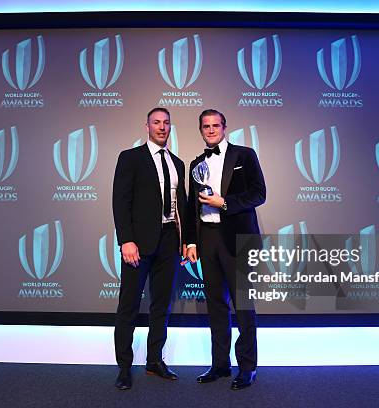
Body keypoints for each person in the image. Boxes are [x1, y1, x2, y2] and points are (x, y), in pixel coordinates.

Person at [185, 109, 266, 390]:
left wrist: (225, 203)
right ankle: (219, 364)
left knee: (243, 306)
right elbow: (190, 206)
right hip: (207, 239)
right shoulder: (196, 163)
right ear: (200, 130)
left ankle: (247, 367)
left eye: (215, 125)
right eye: (205, 126)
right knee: (216, 306)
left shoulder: (245, 155)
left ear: (224, 127)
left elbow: (259, 194)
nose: (210, 130)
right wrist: (191, 241)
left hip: (237, 238)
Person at [112, 107, 187, 390]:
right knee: (128, 306)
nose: (162, 127)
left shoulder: (178, 163)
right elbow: (121, 202)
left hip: (169, 241)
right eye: (156, 122)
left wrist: (186, 241)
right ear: (146, 126)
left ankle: (155, 360)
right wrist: (126, 240)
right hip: (138, 243)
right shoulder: (130, 158)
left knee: (161, 305)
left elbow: (183, 205)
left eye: (166, 123)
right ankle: (123, 367)